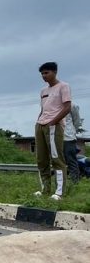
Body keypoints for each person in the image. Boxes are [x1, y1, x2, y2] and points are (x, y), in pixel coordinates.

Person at [34, 62, 71, 200]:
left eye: (46, 72)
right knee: (41, 159)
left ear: (55, 72)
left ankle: (59, 193)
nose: (44, 76)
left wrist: (54, 121)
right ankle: (45, 190)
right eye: (42, 74)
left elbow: (67, 107)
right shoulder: (43, 91)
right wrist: (39, 122)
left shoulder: (64, 86)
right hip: (40, 125)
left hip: (54, 126)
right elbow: (43, 109)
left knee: (56, 158)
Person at [63, 104, 82, 184]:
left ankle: (75, 183)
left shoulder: (72, 106)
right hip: (56, 138)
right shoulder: (53, 105)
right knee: (58, 161)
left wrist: (72, 131)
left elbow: (77, 121)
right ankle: (61, 183)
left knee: (71, 160)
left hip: (69, 138)